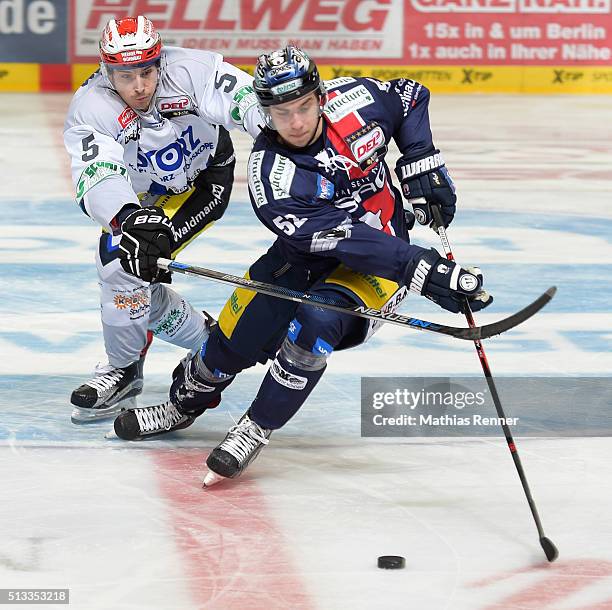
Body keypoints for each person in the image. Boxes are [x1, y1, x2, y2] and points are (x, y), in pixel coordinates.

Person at [112, 47, 492, 486]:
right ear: (265, 112)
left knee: (317, 320)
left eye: (305, 106)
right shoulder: (271, 176)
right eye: (281, 112)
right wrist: (423, 269)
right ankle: (184, 404)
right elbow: (348, 239)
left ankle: (257, 425)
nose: (296, 122)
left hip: (377, 263)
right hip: (312, 256)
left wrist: (421, 161)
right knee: (230, 344)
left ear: (321, 96)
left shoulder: (357, 99)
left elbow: (409, 96)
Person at [63, 16, 262, 423]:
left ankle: (139, 362)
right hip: (144, 196)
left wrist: (292, 142)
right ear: (106, 70)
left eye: (147, 72)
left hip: (204, 184)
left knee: (127, 269)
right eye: (125, 75)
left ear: (160, 62)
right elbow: (96, 171)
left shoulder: (192, 69)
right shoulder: (91, 105)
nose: (139, 86)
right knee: (126, 267)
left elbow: (249, 102)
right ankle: (164, 352)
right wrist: (128, 217)